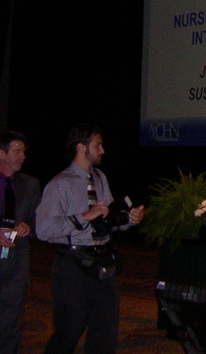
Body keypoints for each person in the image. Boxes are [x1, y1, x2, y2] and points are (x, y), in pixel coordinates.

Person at [36, 124, 144, 354]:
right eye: (98, 145)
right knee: (69, 330)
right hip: (72, 265)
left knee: (105, 332)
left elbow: (106, 221)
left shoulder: (99, 177)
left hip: (102, 262)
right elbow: (44, 229)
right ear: (80, 147)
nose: (102, 150)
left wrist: (128, 219)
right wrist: (83, 216)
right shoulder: (60, 184)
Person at [0, 130, 41, 354]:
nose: (22, 157)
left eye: (24, 152)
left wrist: (29, 227)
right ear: (1, 153)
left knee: (11, 323)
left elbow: (40, 219)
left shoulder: (30, 184)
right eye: (16, 151)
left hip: (16, 264)